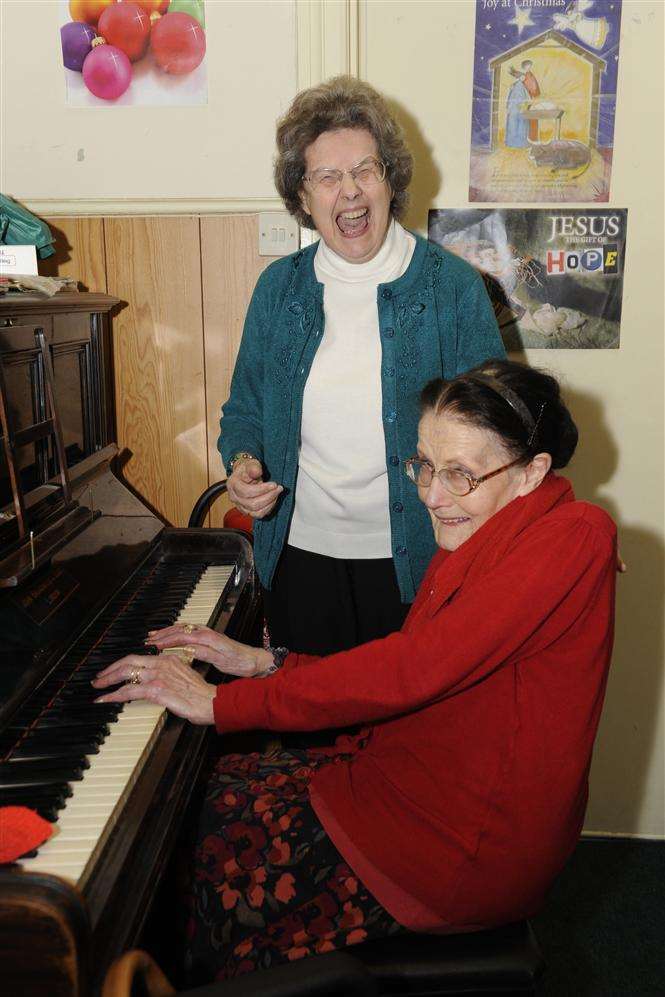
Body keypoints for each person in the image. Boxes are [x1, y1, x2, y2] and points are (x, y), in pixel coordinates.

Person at [93, 359, 617, 984]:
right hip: (407, 783)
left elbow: (412, 670)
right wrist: (266, 663)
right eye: (424, 465)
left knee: (189, 856)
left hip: (459, 849)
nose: (431, 494)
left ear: (532, 472)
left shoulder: (575, 535)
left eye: (460, 475)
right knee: (201, 799)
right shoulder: (492, 529)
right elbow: (409, 668)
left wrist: (220, 705)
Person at [220, 75, 504, 656]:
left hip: (418, 560)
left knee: (406, 736)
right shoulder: (279, 288)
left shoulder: (451, 287)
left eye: (364, 171)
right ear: (302, 197)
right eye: (327, 176)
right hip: (299, 557)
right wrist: (244, 463)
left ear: (389, 181)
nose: (348, 191)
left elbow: (500, 430)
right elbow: (245, 406)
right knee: (306, 726)